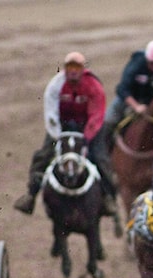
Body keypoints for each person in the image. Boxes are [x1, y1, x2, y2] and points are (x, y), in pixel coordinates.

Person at [13, 52, 118, 217]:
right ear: (64, 69)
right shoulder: (56, 85)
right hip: (61, 127)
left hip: (88, 126)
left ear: (83, 69)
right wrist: (57, 136)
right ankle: (31, 195)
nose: (73, 71)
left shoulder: (94, 86)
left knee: (100, 157)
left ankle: (108, 197)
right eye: (70, 67)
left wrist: (86, 138)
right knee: (43, 155)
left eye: (77, 67)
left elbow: (97, 115)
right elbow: (51, 114)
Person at [101, 37, 153, 147]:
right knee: (108, 121)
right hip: (131, 99)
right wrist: (136, 106)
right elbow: (122, 89)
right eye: (151, 63)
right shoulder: (136, 63)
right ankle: (102, 154)